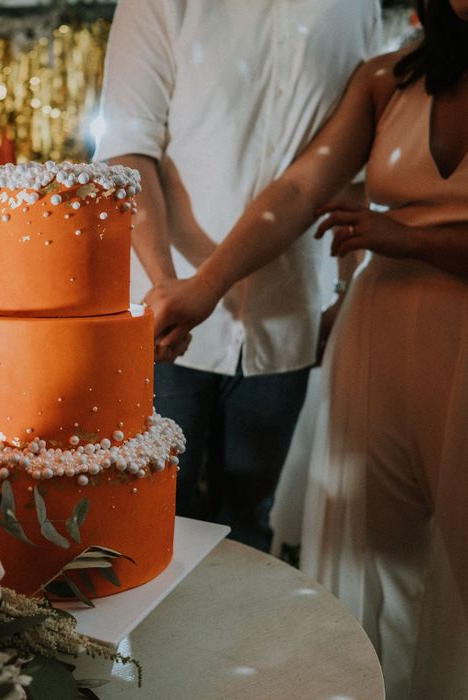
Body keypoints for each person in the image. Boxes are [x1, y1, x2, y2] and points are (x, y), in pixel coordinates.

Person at [144, 1, 468, 696]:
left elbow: (386, 228)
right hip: (378, 348)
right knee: (368, 562)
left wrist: (409, 238)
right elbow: (298, 188)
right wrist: (205, 284)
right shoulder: (388, 79)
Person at [94, 0, 381, 551]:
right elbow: (127, 150)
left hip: (290, 311)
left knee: (249, 525)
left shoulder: (354, 5)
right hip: (162, 322)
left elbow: (351, 167)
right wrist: (164, 283)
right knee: (151, 520)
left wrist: (343, 286)